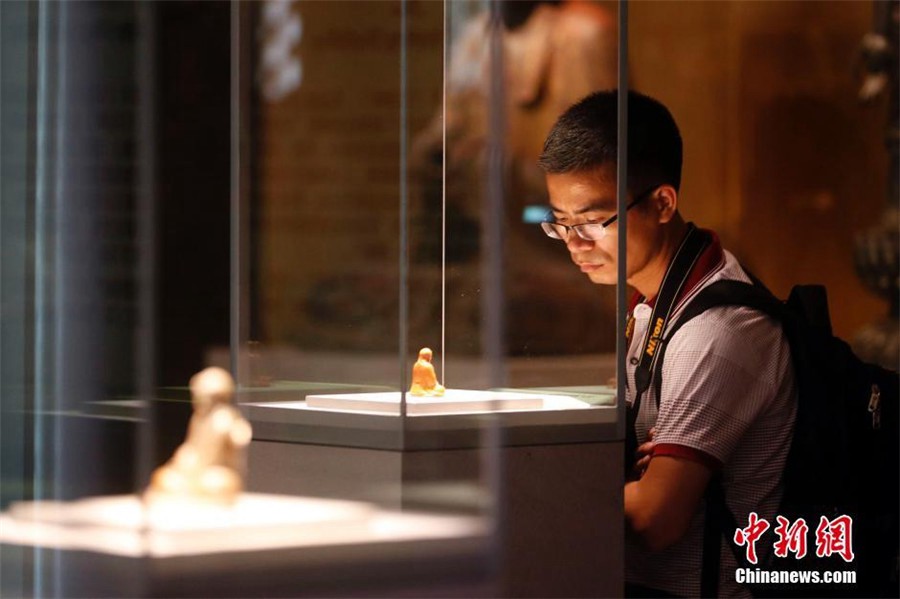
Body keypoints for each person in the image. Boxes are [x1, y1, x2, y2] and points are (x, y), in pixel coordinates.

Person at [537, 90, 797, 597]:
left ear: (662, 203)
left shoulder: (717, 330)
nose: (574, 244)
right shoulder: (654, 300)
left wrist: (519, 506)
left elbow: (657, 518)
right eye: (560, 223)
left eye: (592, 221)